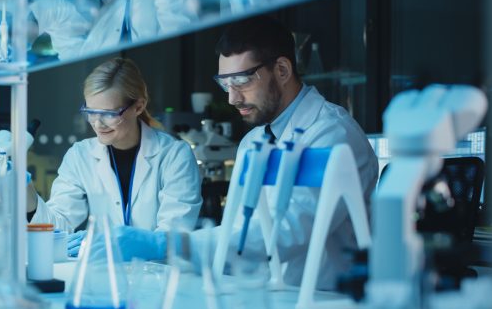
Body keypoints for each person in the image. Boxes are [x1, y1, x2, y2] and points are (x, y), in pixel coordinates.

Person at [111, 17, 379, 290]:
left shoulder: (333, 134)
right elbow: (238, 235)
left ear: (283, 70)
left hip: (327, 304)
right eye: (226, 84)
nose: (232, 98)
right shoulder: (253, 141)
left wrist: (169, 245)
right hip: (266, 297)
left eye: (241, 81)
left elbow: (283, 233)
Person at [27, 57, 202, 244]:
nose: (97, 123)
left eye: (109, 114)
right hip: (102, 268)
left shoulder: (174, 156)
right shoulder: (80, 155)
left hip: (157, 270)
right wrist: (26, 192)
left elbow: (172, 236)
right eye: (90, 112)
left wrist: (116, 243)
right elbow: (57, 226)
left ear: (138, 106)